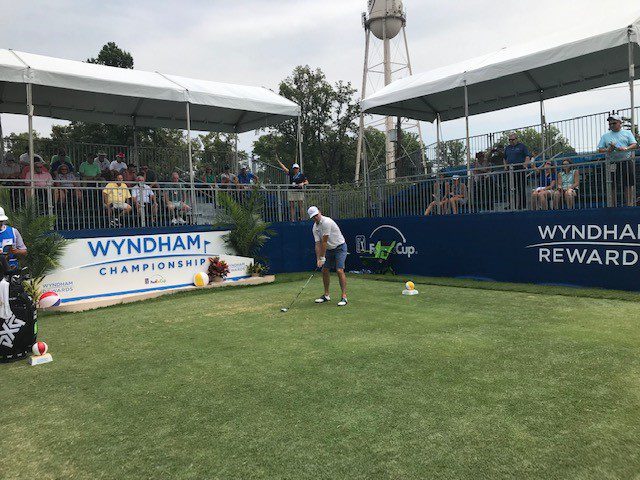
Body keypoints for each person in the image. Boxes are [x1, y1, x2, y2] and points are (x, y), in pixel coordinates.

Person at [308, 206, 348, 307]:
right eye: (314, 216)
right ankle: (326, 295)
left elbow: (324, 242)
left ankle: (344, 296)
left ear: (320, 212)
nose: (316, 217)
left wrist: (322, 257)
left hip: (340, 247)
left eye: (317, 215)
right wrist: (318, 259)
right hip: (329, 250)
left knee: (339, 270)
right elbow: (317, 244)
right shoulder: (315, 228)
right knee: (324, 270)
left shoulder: (327, 222)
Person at [597, 114, 637, 206]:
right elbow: (600, 149)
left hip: (626, 161)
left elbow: (634, 144)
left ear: (620, 123)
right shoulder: (605, 136)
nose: (611, 125)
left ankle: (629, 205)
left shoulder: (627, 133)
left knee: (628, 184)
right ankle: (612, 205)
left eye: (614, 123)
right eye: (610, 124)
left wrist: (626, 148)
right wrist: (608, 149)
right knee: (611, 185)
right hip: (611, 163)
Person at [503, 133, 531, 210]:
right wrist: (505, 167)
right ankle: (511, 204)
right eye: (509, 140)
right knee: (510, 188)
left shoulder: (522, 146)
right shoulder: (507, 148)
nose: (511, 141)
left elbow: (527, 156)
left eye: (512, 139)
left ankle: (522, 204)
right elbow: (504, 158)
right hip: (510, 169)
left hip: (519, 168)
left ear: (516, 139)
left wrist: (525, 165)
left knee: (520, 187)